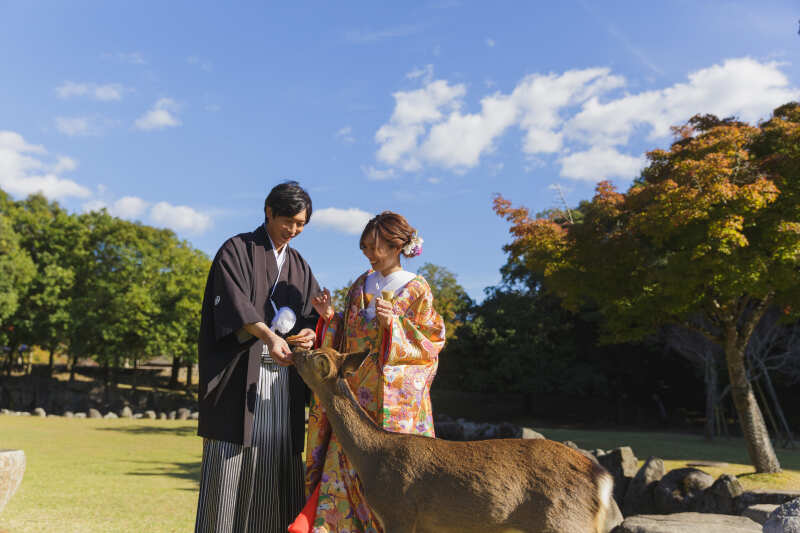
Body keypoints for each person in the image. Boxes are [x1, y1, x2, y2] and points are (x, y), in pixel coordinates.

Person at [300, 211, 446, 533]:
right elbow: (344, 339)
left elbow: (432, 342)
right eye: (364, 247)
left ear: (396, 246)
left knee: (392, 482)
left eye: (374, 247)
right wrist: (330, 317)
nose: (368, 253)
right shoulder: (359, 285)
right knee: (344, 470)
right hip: (353, 401)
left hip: (394, 407)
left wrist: (393, 325)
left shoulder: (417, 289)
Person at [195, 181, 321, 533]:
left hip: (282, 383)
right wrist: (266, 335)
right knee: (231, 462)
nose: (293, 230)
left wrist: (310, 333)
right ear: (268, 211)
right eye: (288, 221)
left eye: (300, 225)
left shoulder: (299, 264)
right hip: (241, 375)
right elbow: (233, 303)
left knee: (276, 458)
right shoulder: (237, 249)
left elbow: (311, 315)